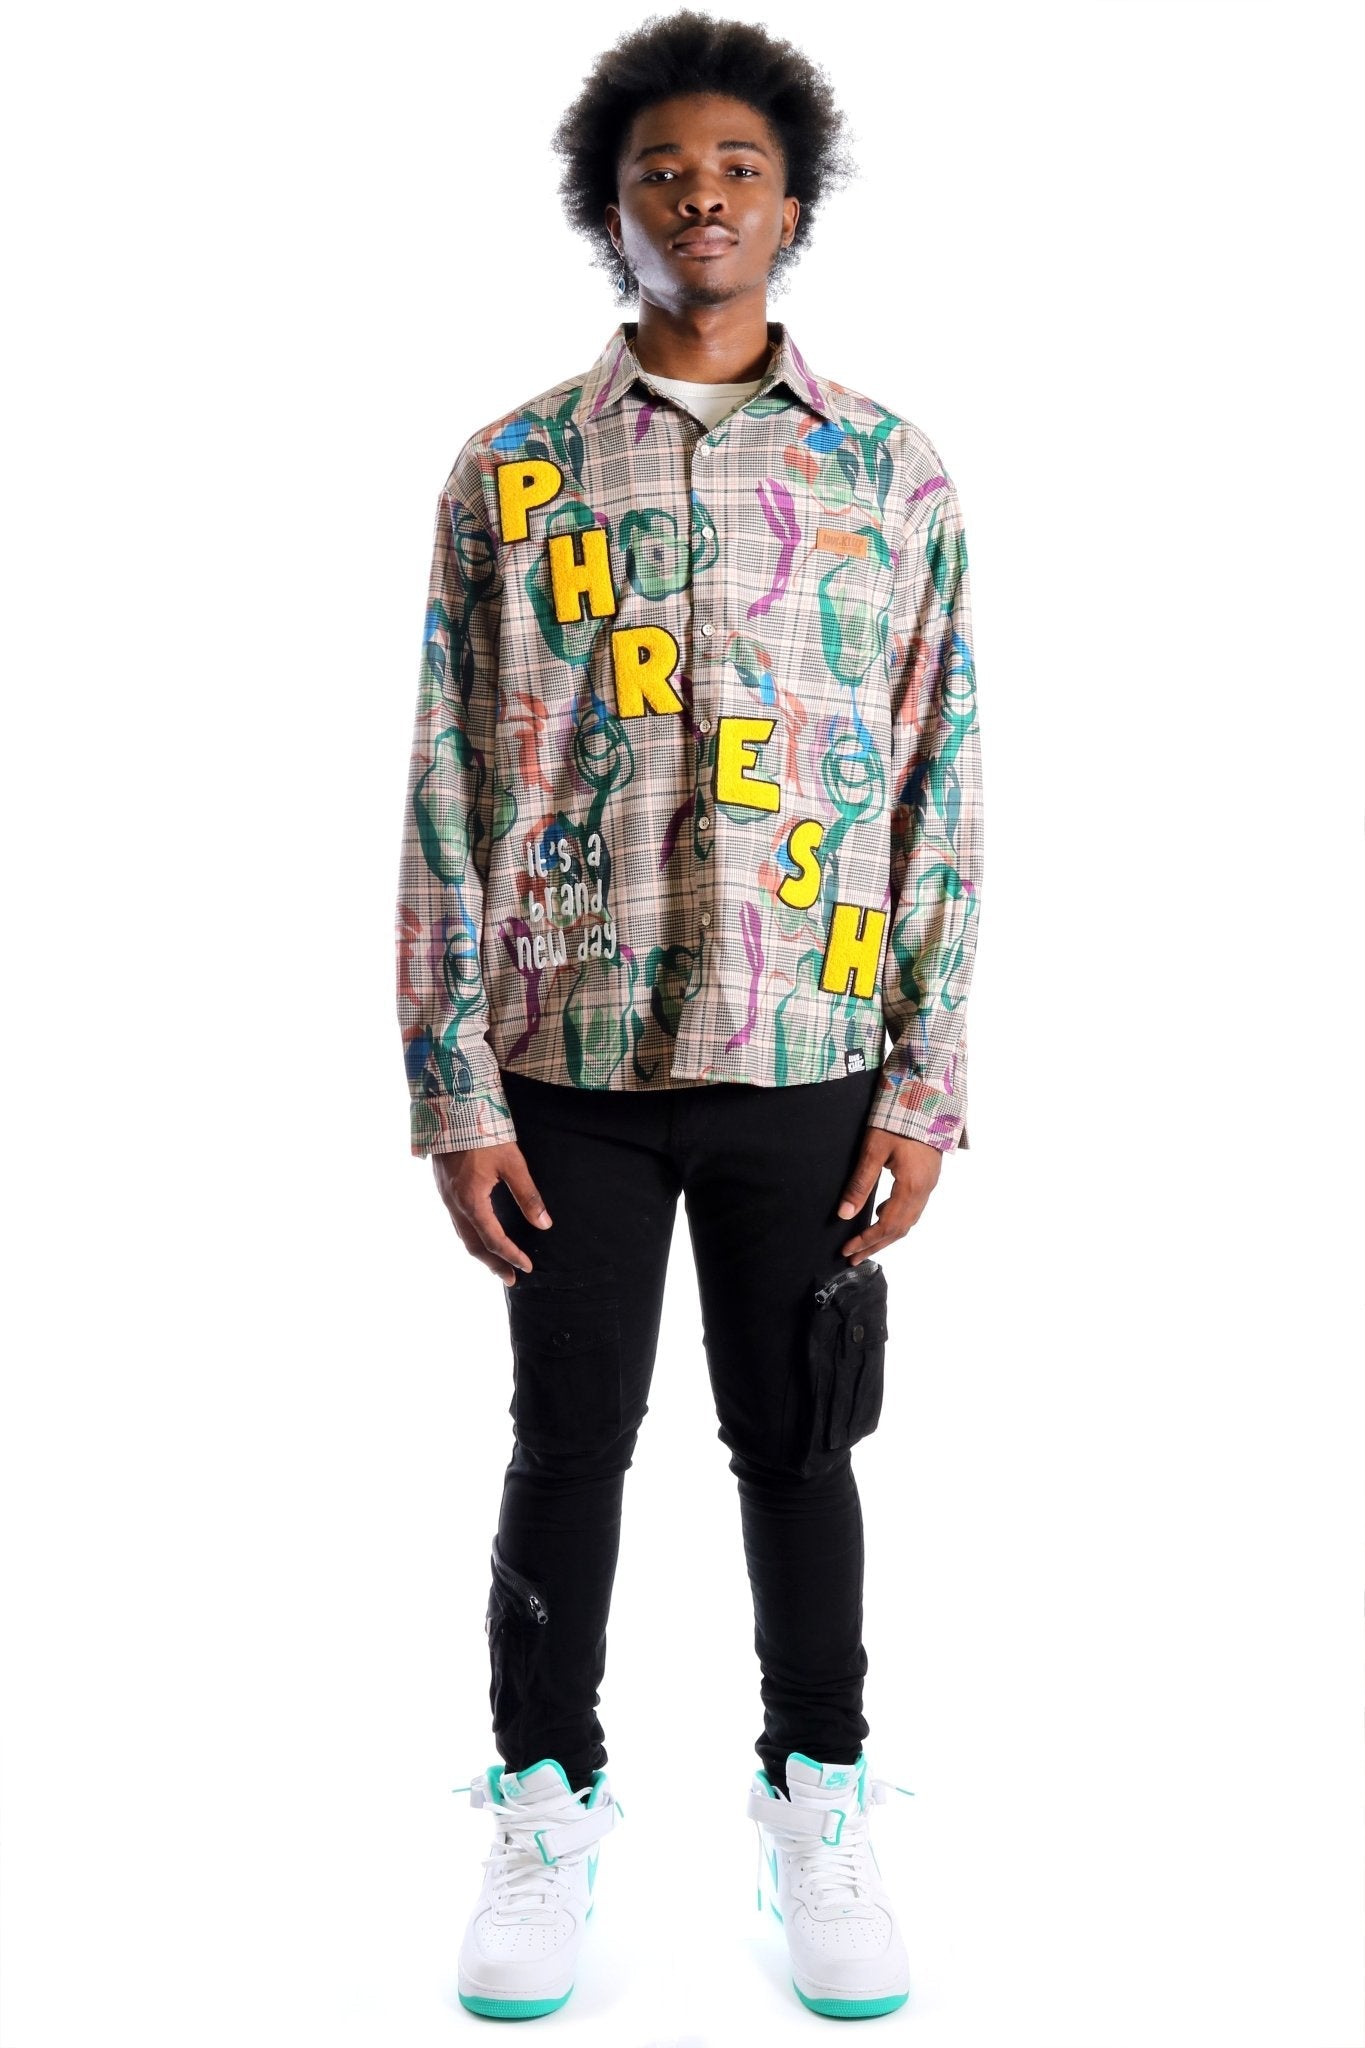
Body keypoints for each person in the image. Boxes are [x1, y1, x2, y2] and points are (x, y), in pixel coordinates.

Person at [394, 10, 983, 2022]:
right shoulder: (512, 471)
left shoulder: (889, 471)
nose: (700, 197)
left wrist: (925, 1078)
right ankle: (542, 1805)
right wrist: (452, 1088)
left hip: (809, 1054)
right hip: (565, 1054)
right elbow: (448, 778)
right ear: (612, 207)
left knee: (796, 1443)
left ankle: (815, 1795)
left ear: (790, 205)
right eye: (662, 171)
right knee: (566, 1440)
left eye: (736, 168)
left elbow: (940, 780)